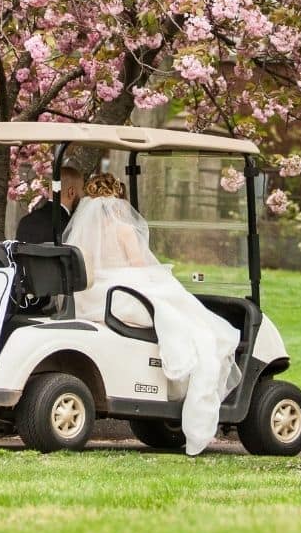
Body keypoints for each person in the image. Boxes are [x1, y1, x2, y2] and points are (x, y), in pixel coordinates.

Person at [63, 173, 240, 456]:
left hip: (95, 297)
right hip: (125, 296)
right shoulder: (123, 230)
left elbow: (89, 271)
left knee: (176, 305)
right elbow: (136, 265)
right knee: (194, 319)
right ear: (119, 200)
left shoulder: (84, 234)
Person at [14, 166, 84, 244]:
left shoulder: (26, 221)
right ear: (71, 193)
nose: (83, 196)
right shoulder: (71, 227)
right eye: (82, 191)